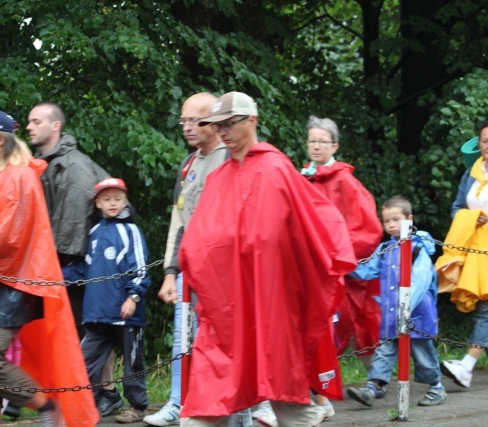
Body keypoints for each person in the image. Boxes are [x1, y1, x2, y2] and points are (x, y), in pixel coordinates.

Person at [178, 92, 357, 426]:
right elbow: (201, 239)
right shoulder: (218, 177)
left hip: (272, 302)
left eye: (231, 124)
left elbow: (313, 224)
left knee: (285, 397)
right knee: (205, 401)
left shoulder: (276, 169)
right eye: (219, 126)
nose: (224, 133)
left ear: (252, 121)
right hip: (228, 309)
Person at [0, 110, 99, 427]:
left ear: (0, 140)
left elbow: (8, 237)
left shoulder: (19, 176)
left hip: (16, 282)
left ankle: (45, 405)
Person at [146, 92, 229, 426]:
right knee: (182, 335)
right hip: (189, 267)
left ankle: (253, 403)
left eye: (195, 120)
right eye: (184, 120)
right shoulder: (189, 163)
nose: (188, 127)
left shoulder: (229, 158)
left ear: (213, 121)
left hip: (221, 271)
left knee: (224, 339)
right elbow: (178, 221)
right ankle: (178, 403)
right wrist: (170, 271)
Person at [300, 116, 384, 419]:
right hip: (311, 271)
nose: (317, 146)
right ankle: (318, 392)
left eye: (323, 141)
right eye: (312, 141)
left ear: (334, 145)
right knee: (318, 330)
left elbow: (367, 227)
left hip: (341, 270)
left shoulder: (344, 181)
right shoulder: (302, 178)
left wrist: (335, 255)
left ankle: (376, 380)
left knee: (351, 326)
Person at [346, 195, 446, 407]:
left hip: (417, 313)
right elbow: (367, 270)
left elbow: (421, 279)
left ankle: (436, 387)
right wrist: (344, 267)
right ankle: (374, 387)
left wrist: (406, 307)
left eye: (395, 219)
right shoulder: (385, 249)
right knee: (385, 349)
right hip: (391, 313)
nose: (391, 225)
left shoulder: (418, 248)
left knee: (422, 353)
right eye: (386, 221)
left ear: (409, 218)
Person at [27, 101, 110, 339]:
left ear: (55, 125)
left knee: (79, 337)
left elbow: (71, 231)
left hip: (76, 268)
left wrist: (48, 265)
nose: (29, 127)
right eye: (29, 121)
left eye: (36, 121)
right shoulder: (41, 164)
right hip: (54, 265)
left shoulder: (73, 166)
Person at [440, 114, 488, 388]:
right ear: (478, 143)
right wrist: (468, 217)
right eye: (485, 140)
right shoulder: (472, 173)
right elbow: (456, 207)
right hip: (476, 253)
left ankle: (466, 367)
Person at [80, 177, 151, 423]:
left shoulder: (130, 230)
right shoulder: (94, 232)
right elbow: (86, 270)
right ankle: (81, 404)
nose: (113, 203)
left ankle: (138, 406)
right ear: (98, 202)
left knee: (133, 361)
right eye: (107, 199)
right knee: (84, 360)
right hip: (97, 312)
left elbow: (140, 268)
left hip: (125, 312)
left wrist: (133, 297)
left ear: (125, 200)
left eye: (118, 199)